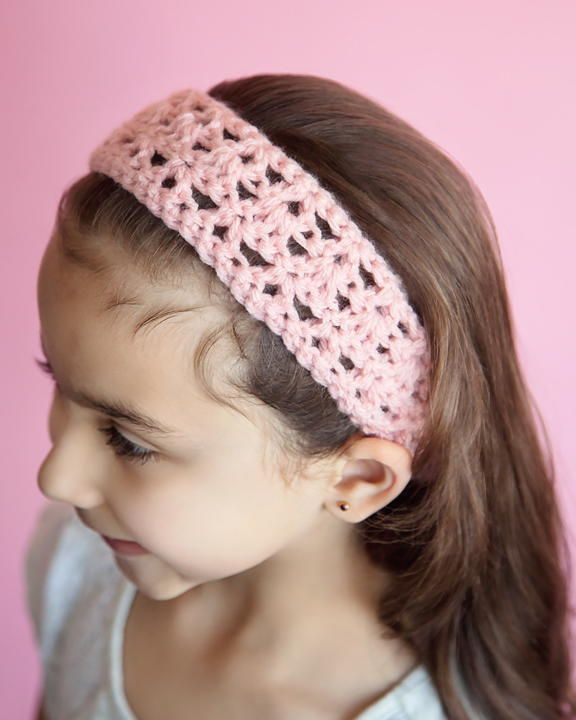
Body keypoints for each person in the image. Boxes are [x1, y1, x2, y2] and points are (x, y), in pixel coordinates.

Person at [24, 73, 575, 720]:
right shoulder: (73, 571)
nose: (56, 477)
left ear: (360, 477)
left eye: (129, 440)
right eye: (57, 380)